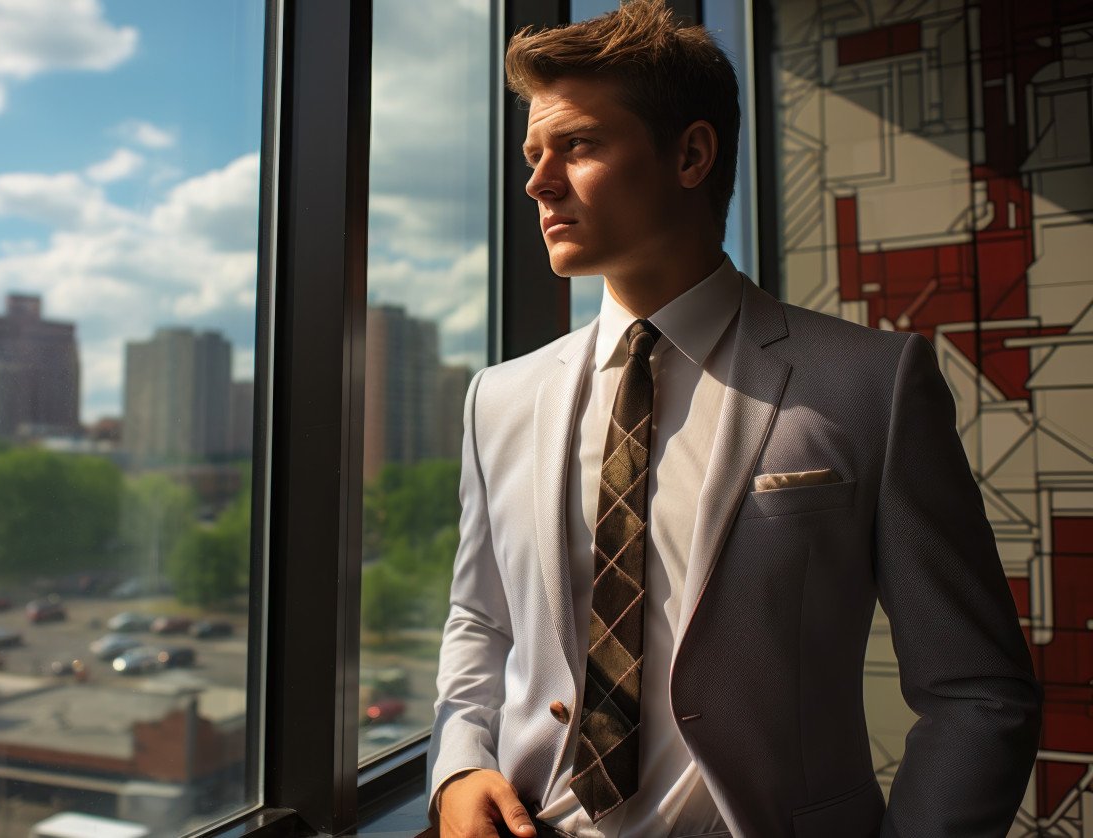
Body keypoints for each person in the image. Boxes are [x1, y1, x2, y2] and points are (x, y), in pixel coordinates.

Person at [426, 3, 1042, 837]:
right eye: (532, 154)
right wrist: (460, 763)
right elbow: (483, 619)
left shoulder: (871, 384)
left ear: (691, 153)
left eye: (576, 145)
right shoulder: (498, 396)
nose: (538, 182)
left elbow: (977, 689)